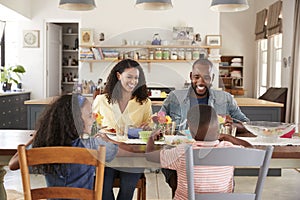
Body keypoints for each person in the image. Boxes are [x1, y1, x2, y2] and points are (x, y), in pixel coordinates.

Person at [159, 58, 250, 197]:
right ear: (190, 76)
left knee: (221, 184)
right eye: (196, 77)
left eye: (206, 77)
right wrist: (158, 120)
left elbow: (247, 125)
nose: (201, 82)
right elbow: (159, 119)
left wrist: (232, 125)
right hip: (181, 155)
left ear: (212, 78)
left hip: (215, 158)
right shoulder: (174, 97)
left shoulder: (225, 98)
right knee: (178, 180)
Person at [8, 94, 118, 190]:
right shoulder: (92, 145)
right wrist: (105, 138)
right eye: (90, 115)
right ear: (76, 121)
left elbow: (12, 164)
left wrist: (35, 137)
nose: (93, 119)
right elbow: (113, 150)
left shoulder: (45, 145)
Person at [146, 104, 252, 199]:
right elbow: (250, 148)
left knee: (171, 170)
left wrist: (151, 138)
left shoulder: (183, 150)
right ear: (218, 128)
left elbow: (150, 156)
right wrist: (226, 136)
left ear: (190, 131)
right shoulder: (230, 150)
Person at [92, 59, 152, 200]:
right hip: (107, 155)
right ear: (119, 76)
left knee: (126, 193)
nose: (133, 81)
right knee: (103, 191)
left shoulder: (144, 102)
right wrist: (97, 131)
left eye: (136, 78)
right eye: (129, 77)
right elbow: (91, 127)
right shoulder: (101, 100)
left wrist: (147, 128)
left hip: (132, 155)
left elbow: (148, 130)